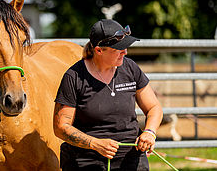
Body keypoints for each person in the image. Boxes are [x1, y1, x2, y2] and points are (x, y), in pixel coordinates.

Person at [53, 19, 163, 171]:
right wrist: (94, 144)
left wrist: (150, 132)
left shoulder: (130, 67)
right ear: (99, 50)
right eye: (119, 49)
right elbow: (61, 127)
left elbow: (154, 107)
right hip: (86, 160)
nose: (125, 52)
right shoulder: (74, 77)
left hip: (131, 158)